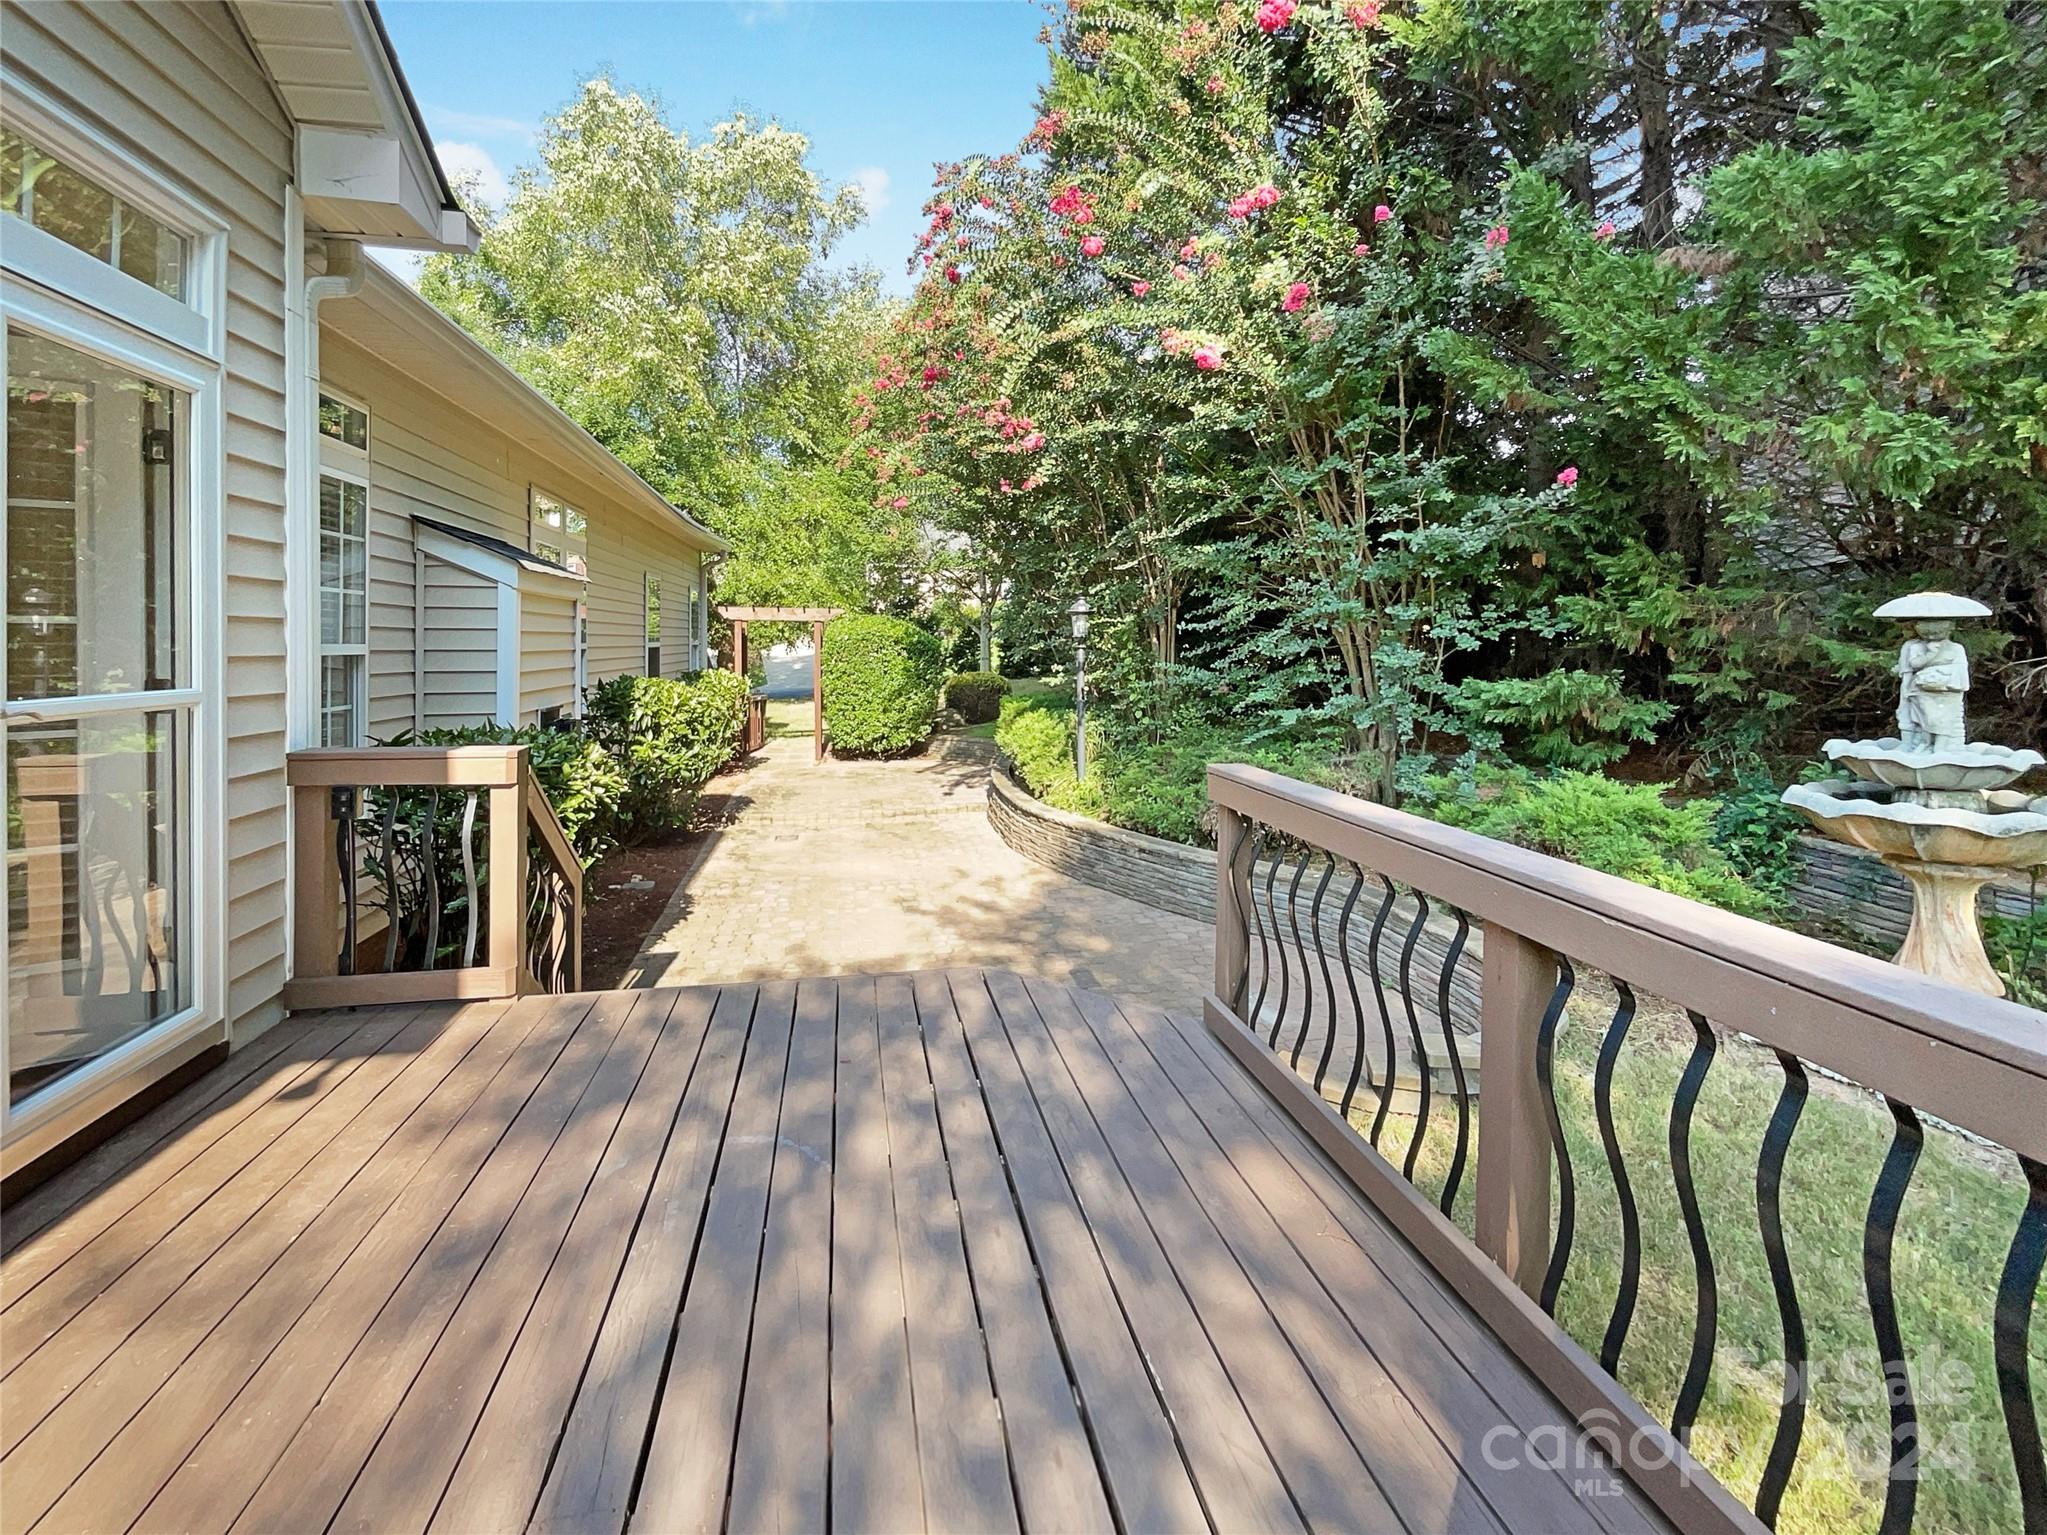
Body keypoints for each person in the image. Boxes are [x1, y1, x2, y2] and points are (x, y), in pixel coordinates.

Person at [1895, 619, 1969, 749]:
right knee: (1927, 718)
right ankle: (1925, 743)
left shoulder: (1956, 648)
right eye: (1926, 633)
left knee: (1943, 718)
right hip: (1922, 690)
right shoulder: (1915, 647)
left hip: (1946, 690)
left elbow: (1960, 670)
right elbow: (1914, 664)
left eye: (1936, 632)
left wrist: (1942, 675)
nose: (1931, 637)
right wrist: (1930, 654)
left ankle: (1941, 747)